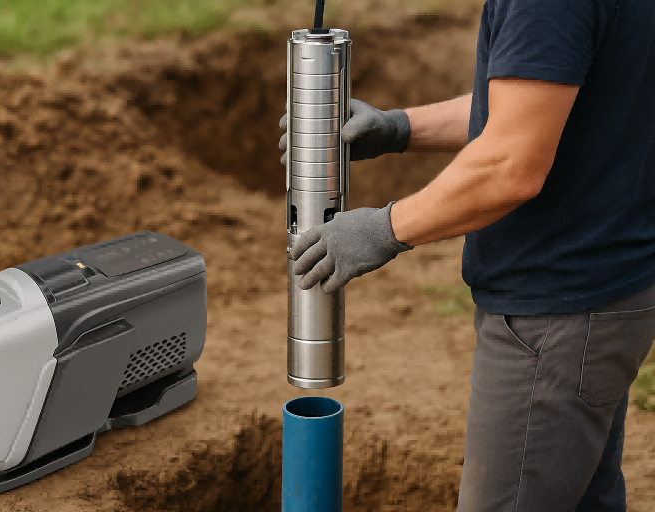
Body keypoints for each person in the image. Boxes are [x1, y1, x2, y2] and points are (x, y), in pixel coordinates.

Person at [278, 1, 655, 510]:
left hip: (554, 317)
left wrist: (383, 229)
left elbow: (510, 165)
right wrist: (399, 127)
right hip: (609, 295)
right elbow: (539, 97)